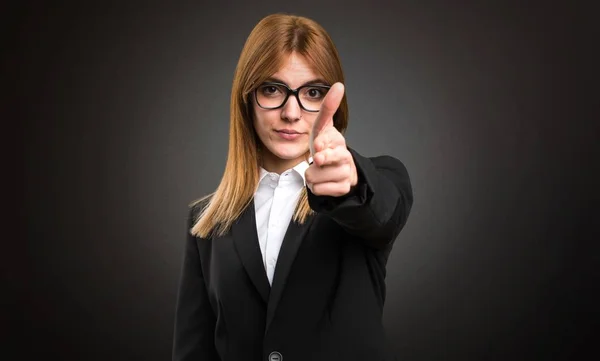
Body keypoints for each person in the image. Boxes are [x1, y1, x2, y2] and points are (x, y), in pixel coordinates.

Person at [172, 13, 413, 361]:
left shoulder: (371, 183)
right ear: (246, 99)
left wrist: (351, 182)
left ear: (333, 104)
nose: (291, 112)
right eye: (272, 89)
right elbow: (194, 350)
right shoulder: (206, 220)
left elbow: (381, 212)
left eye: (312, 93)